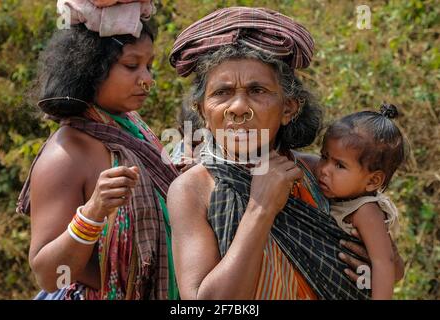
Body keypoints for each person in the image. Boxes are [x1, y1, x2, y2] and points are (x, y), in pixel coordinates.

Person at [167, 7, 405, 300]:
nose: (238, 107)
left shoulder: (321, 176)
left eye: (257, 90)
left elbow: (388, 265)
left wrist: (379, 264)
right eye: (222, 93)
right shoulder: (192, 190)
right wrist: (261, 208)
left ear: (289, 108)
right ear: (202, 111)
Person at [17, 3, 179, 299]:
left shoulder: (131, 128)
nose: (147, 79)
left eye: (149, 66)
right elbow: (48, 274)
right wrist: (92, 212)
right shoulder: (66, 153)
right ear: (90, 67)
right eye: (131, 66)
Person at [315, 103, 406, 299]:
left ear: (373, 181)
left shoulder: (365, 211)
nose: (324, 169)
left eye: (339, 165)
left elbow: (384, 262)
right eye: (324, 157)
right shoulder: (337, 196)